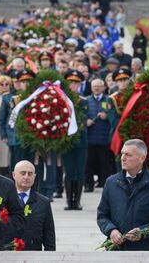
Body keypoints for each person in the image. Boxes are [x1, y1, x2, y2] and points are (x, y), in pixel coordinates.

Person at [97, 139, 149, 251]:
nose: (122, 158)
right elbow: (102, 215)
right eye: (122, 153)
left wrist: (142, 232)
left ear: (142, 158)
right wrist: (111, 230)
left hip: (146, 251)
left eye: (128, 155)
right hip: (117, 251)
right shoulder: (111, 182)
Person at [7, 160, 55, 251]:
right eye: (23, 173)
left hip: (33, 254)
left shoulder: (43, 202)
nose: (26, 177)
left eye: (30, 174)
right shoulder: (4, 199)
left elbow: (49, 236)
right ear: (14, 175)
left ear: (34, 176)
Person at [62, 70, 88, 210]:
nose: (73, 85)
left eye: (76, 82)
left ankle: (76, 201)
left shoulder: (83, 101)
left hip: (80, 141)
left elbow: (81, 120)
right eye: (70, 82)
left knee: (79, 171)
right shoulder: (62, 100)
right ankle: (68, 201)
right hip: (66, 141)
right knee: (69, 171)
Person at [85, 79, 112, 192]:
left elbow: (114, 116)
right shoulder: (86, 100)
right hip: (90, 138)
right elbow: (81, 115)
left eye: (99, 86)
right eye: (94, 86)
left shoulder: (109, 100)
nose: (96, 88)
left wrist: (107, 117)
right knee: (89, 163)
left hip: (104, 138)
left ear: (104, 87)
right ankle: (88, 184)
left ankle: (105, 185)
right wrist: (86, 122)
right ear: (91, 88)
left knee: (105, 163)